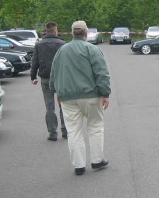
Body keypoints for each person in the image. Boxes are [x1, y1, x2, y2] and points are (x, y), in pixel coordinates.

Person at [49, 21, 111, 176]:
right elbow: (102, 73)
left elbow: (54, 73)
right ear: (86, 33)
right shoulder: (92, 49)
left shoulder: (62, 51)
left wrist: (56, 92)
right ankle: (97, 160)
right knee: (95, 127)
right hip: (91, 96)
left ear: (72, 33)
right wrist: (105, 93)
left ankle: (79, 166)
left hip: (68, 98)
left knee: (74, 131)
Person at [31, 21, 67, 141]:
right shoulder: (63, 44)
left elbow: (34, 62)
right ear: (56, 31)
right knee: (64, 105)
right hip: (61, 78)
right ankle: (65, 131)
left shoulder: (39, 45)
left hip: (46, 78)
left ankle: (52, 133)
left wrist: (33, 77)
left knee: (49, 107)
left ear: (46, 31)